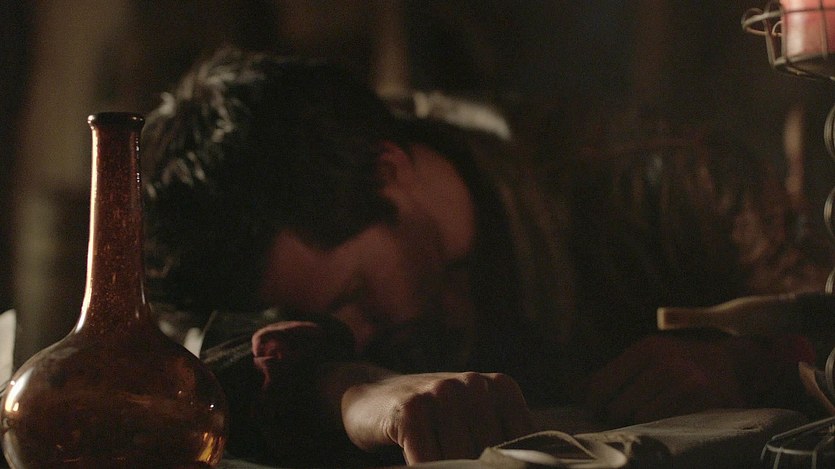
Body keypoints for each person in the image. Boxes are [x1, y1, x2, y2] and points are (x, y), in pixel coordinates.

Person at [141, 46, 835, 467]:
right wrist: (346, 387)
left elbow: (825, 328)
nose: (353, 328)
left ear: (389, 172)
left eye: (352, 294)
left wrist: (744, 365)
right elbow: (171, 361)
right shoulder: (293, 201)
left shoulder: (674, 180)